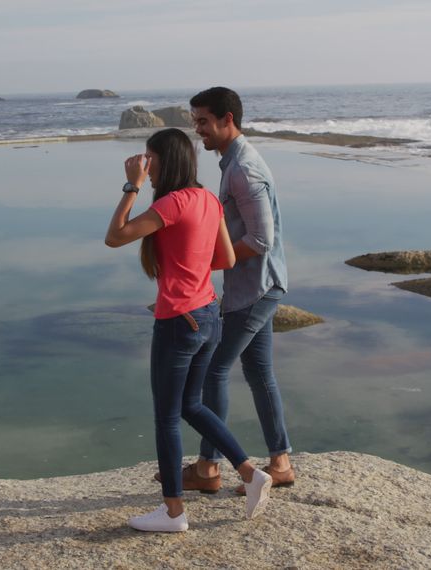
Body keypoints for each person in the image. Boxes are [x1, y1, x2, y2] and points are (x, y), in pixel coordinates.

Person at [104, 128, 272, 533]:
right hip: (208, 315)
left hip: (178, 320)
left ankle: (174, 511)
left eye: (150, 159)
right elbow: (227, 258)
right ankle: (249, 472)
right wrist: (191, 265)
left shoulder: (173, 203)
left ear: (166, 161)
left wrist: (131, 185)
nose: (146, 165)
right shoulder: (207, 199)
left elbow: (115, 237)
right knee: (191, 405)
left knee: (167, 417)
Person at [180, 86, 294, 494]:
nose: (198, 130)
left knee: (213, 370)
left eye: (204, 121)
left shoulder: (243, 169)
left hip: (257, 287)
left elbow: (260, 239)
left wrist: (202, 263)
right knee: (259, 371)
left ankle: (209, 467)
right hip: (257, 285)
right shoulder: (233, 163)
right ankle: (280, 461)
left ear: (228, 119)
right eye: (195, 122)